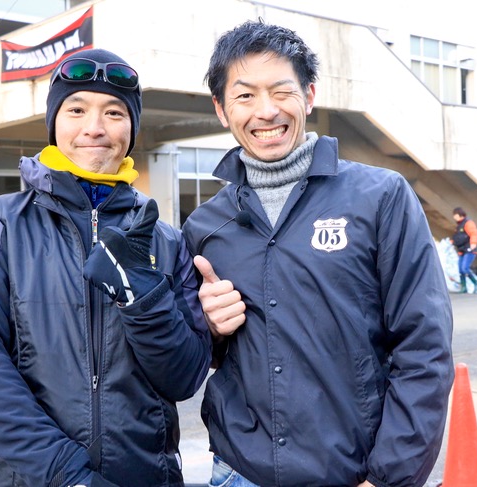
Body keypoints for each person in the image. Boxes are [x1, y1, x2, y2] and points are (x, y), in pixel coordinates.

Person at [182, 21, 454, 487]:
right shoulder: (205, 226)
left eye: (281, 92)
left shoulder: (380, 196)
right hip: (237, 473)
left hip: (354, 473)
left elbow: (424, 347)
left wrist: (389, 476)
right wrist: (206, 328)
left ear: (308, 96)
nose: (266, 111)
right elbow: (188, 361)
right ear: (222, 110)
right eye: (245, 96)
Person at [0, 48, 211, 487]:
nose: (95, 128)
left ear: (132, 128)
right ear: (54, 123)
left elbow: (183, 379)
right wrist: (68, 475)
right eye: (77, 109)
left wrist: (143, 300)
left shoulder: (167, 239)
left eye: (115, 113)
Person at [451, 206, 477, 293]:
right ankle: (464, 288)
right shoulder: (459, 225)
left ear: (460, 214)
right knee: (460, 270)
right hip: (461, 250)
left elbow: (474, 234)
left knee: (465, 268)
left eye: (455, 215)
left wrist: (473, 244)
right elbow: (458, 237)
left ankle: (476, 283)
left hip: (469, 250)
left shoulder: (468, 223)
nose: (454, 217)